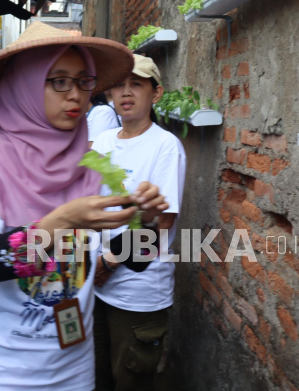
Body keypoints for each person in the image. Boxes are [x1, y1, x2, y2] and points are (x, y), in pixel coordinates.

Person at [0, 22, 168, 391]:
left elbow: (136, 259)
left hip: (71, 371)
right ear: (25, 86)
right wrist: (62, 220)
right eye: (59, 81)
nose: (76, 96)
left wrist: (144, 223)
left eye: (84, 82)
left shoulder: (95, 163)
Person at [91, 55, 186, 391]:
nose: (126, 92)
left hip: (137, 291)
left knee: (130, 381)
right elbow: (86, 205)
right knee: (96, 376)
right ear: (108, 94)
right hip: (95, 283)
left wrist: (109, 262)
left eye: (136, 84)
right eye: (119, 84)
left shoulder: (165, 147)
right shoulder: (102, 142)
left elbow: (161, 224)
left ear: (155, 93)